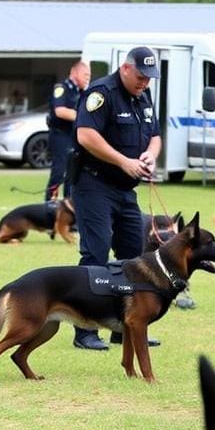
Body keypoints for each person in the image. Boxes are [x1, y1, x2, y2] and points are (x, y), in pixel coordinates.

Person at [71, 47, 162, 351]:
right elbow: (86, 135)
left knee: (133, 257)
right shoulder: (102, 93)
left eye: (149, 78)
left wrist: (150, 154)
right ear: (125, 68)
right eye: (140, 76)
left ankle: (127, 328)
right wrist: (123, 160)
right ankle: (84, 331)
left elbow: (155, 135)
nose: (144, 82)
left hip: (126, 189)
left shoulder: (143, 96)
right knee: (95, 256)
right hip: (94, 185)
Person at [45, 60, 90, 201]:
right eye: (85, 75)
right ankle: (49, 204)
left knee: (72, 175)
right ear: (74, 72)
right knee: (58, 173)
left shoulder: (83, 92)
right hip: (60, 136)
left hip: (74, 137)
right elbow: (60, 111)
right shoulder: (62, 88)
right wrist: (83, 117)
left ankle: (68, 207)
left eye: (89, 76)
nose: (88, 78)